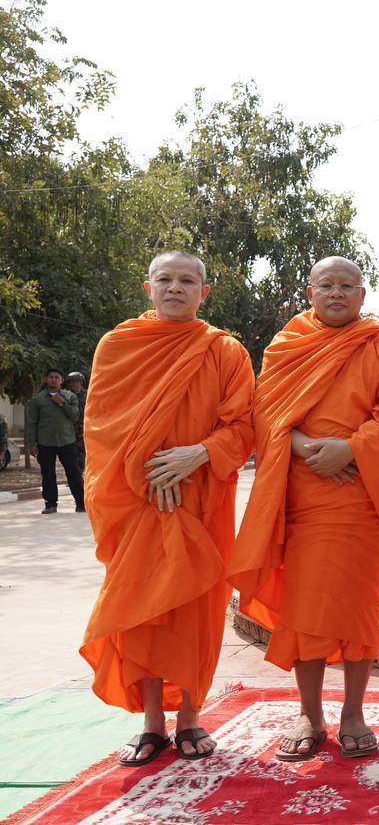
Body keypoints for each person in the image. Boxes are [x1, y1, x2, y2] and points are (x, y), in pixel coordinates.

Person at [230, 256, 379, 762]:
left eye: (347, 286)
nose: (337, 293)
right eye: (327, 285)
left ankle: (354, 713)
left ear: (363, 294)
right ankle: (309, 715)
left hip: (358, 497)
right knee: (305, 608)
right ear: (310, 293)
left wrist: (350, 449)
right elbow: (265, 412)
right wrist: (306, 447)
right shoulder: (288, 344)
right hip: (303, 495)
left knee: (357, 607)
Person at [80, 250, 254, 765]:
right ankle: (152, 723)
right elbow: (101, 428)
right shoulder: (118, 346)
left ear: (204, 292)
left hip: (200, 499)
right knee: (143, 609)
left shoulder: (225, 351)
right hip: (138, 503)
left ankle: (191, 717)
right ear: (148, 288)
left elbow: (244, 426)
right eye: (165, 279)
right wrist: (150, 476)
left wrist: (197, 454)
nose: (175, 287)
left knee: (195, 607)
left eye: (187, 281)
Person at [25, 368, 85, 513]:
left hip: (67, 441)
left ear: (61, 380)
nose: (53, 380)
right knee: (48, 474)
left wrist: (62, 403)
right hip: (45, 443)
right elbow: (32, 423)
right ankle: (51, 504)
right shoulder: (38, 400)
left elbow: (75, 416)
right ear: (46, 380)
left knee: (74, 472)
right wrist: (32, 443)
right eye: (51, 377)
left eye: (57, 377)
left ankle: (81, 503)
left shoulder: (70, 396)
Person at [65, 371, 87, 470]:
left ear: (81, 382)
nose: (74, 384)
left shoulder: (88, 395)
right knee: (73, 457)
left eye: (77, 381)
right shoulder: (66, 396)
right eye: (71, 382)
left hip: (86, 430)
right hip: (71, 430)